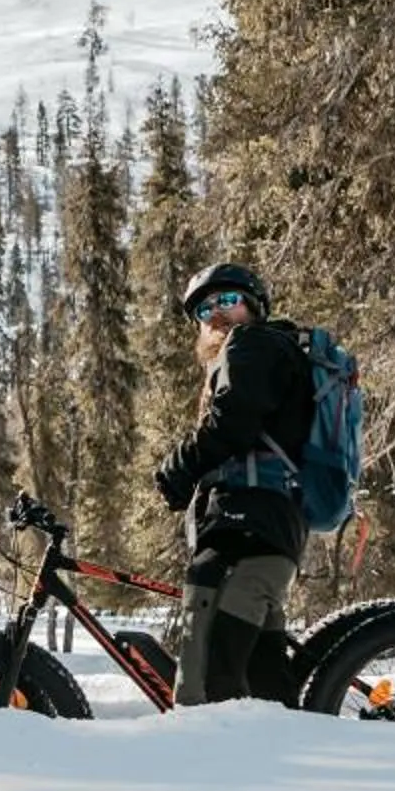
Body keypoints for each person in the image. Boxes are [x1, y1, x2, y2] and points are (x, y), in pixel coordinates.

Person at [150, 263, 314, 705]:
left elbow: (232, 423)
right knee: (264, 685)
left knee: (208, 688)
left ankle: (208, 760)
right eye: (205, 308)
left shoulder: (253, 343)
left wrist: (177, 469)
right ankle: (283, 756)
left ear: (254, 306)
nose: (215, 313)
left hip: (251, 523)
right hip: (263, 525)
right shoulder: (268, 350)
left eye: (227, 300)